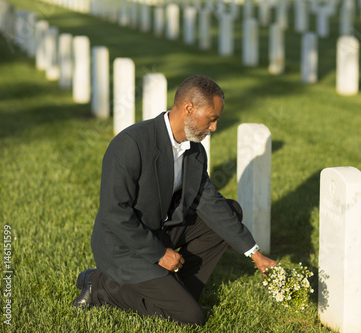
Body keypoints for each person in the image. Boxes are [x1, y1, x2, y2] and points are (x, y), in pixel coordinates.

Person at [72, 75, 277, 325]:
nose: (213, 127)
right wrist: (159, 254)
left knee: (229, 210)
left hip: (160, 228)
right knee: (192, 317)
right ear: (189, 108)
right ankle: (99, 285)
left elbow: (209, 202)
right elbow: (115, 213)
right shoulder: (131, 144)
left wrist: (255, 253)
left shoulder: (195, 151)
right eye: (211, 119)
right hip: (123, 244)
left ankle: (181, 289)